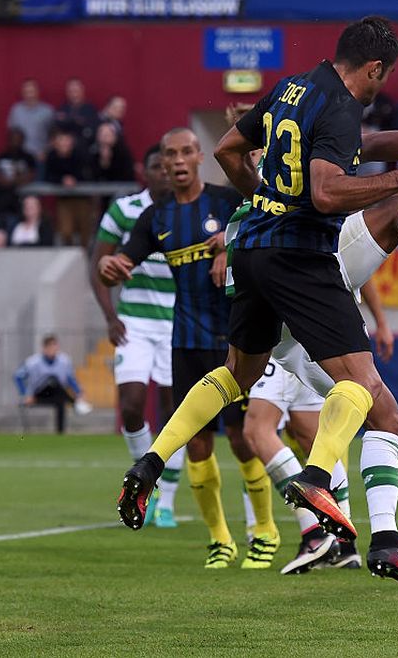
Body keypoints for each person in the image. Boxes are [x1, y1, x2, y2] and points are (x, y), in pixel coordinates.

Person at [117, 17, 398, 590]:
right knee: (363, 386)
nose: (380, 87)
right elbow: (325, 190)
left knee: (239, 377)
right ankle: (319, 481)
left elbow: (231, 148)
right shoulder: (341, 105)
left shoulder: (294, 89)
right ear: (372, 68)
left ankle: (150, 462)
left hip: (255, 254)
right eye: (384, 77)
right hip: (301, 261)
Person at [99, 128, 266, 569]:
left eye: (185, 152)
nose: (177, 160)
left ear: (198, 157)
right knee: (196, 443)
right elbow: (122, 261)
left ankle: (263, 530)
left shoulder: (227, 200)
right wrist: (110, 266)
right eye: (169, 153)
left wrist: (230, 245)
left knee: (243, 438)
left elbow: (267, 222)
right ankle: (220, 540)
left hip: (235, 339)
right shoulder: (157, 217)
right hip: (186, 340)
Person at [243, 280, 392, 575]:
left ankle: (314, 534)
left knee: (256, 430)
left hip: (289, 330)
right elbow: (363, 262)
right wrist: (382, 322)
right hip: (325, 333)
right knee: (313, 437)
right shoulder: (339, 236)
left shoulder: (281, 237)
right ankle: (344, 544)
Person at [91, 146, 183, 529]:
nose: (163, 173)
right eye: (155, 166)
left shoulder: (189, 211)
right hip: (134, 324)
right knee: (130, 407)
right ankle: (146, 484)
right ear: (144, 171)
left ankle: (168, 501)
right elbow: (98, 263)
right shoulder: (124, 210)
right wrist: (110, 316)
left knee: (174, 413)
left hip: (179, 323)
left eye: (168, 167)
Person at [13, 335, 92, 434]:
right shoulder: (33, 362)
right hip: (38, 393)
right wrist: (26, 395)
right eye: (51, 346)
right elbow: (18, 376)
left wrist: (79, 392)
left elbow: (70, 379)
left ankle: (60, 433)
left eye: (55, 346)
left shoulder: (64, 361)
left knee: (59, 393)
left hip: (57, 394)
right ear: (45, 348)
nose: (54, 349)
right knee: (52, 380)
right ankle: (76, 404)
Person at [44, 129, 94, 248]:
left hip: (82, 197)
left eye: (67, 140)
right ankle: (70, 257)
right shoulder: (52, 156)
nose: (64, 143)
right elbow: (48, 176)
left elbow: (88, 174)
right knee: (66, 231)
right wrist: (62, 180)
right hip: (64, 199)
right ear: (55, 142)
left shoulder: (80, 154)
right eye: (61, 140)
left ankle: (85, 256)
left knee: (85, 230)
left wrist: (75, 180)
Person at [0, 128, 36, 220]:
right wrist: (6, 182)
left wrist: (15, 181)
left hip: (23, 190)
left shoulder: (28, 157)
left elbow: (32, 174)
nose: (16, 142)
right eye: (13, 139)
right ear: (9, 140)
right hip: (2, 190)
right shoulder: (1, 156)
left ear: (23, 141)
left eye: (18, 140)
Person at [6, 79, 55, 162]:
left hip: (40, 156)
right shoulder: (16, 110)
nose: (29, 95)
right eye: (26, 92)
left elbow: (54, 136)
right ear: (22, 93)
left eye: (32, 91)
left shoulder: (47, 111)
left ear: (37, 92)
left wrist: (46, 152)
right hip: (21, 157)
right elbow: (12, 134)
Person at [56, 78, 99, 147]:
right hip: (65, 148)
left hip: (85, 147)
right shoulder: (62, 109)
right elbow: (58, 127)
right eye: (71, 91)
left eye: (76, 91)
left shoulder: (90, 109)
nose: (74, 94)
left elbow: (92, 132)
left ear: (82, 91)